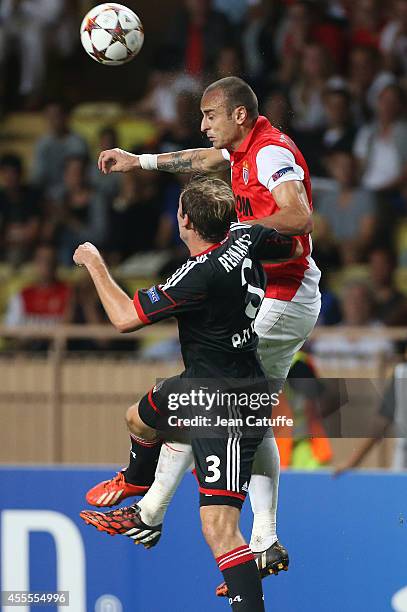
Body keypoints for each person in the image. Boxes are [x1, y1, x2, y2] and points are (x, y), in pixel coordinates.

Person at [91, 76, 321, 595]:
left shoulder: (269, 153)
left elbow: (300, 214)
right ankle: (263, 539)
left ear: (239, 115)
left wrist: (244, 235)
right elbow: (201, 159)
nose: (203, 124)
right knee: (248, 414)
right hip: (280, 293)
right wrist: (140, 162)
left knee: (208, 397)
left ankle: (149, 511)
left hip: (281, 298)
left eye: (211, 116)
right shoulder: (240, 149)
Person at [77, 177, 302, 611]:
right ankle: (139, 484)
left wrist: (94, 263)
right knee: (139, 416)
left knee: (217, 526)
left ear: (185, 221)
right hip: (204, 384)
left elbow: (124, 319)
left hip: (227, 407)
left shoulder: (199, 274)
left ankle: (252, 588)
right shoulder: (246, 236)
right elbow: (292, 249)